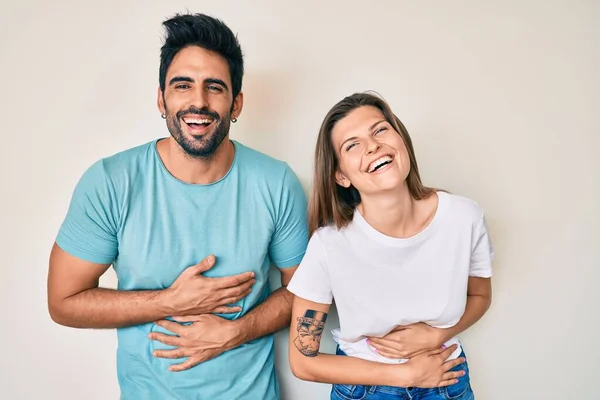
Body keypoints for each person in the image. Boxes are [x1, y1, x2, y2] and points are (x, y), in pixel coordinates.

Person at [47, 13, 309, 400]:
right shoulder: (111, 182)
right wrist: (170, 301)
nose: (198, 102)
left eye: (215, 87)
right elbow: (63, 302)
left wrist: (236, 332)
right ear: (161, 98)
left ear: (236, 104)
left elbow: (303, 292)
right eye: (182, 85)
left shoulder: (276, 182)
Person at [286, 92, 494, 399]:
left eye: (380, 130)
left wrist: (439, 334)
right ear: (341, 175)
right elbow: (303, 361)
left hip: (446, 380)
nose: (372, 145)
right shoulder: (329, 245)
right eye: (352, 144)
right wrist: (403, 374)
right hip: (365, 390)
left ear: (402, 141)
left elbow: (480, 294)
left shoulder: (464, 217)